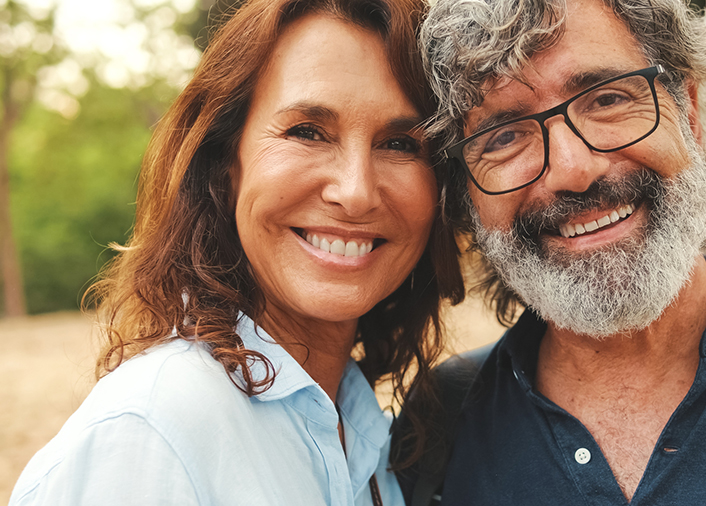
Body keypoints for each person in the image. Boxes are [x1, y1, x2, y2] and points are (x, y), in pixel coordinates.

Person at [398, 0, 706, 503]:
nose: (575, 170)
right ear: (465, 196)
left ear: (689, 114)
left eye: (606, 99)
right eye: (504, 135)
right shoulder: (437, 431)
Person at [10, 0, 463, 504]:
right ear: (225, 165)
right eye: (307, 132)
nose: (355, 192)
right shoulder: (152, 437)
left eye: (401, 144)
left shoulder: (364, 432)